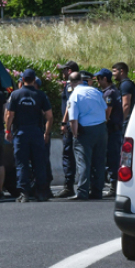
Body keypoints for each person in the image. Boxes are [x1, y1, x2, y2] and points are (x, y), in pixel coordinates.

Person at [5, 68, 53, 202]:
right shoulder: (41, 95)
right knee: (39, 163)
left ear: (22, 80)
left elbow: (9, 115)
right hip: (36, 133)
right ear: (34, 80)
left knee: (22, 164)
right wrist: (46, 133)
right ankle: (41, 192)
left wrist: (8, 130)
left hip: (21, 133)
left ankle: (24, 193)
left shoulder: (15, 95)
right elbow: (49, 116)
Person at [67, 71, 108, 200]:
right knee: (99, 161)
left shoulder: (74, 96)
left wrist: (74, 134)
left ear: (71, 83)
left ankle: (82, 192)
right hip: (101, 129)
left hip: (85, 131)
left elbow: (73, 120)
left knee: (83, 161)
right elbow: (105, 109)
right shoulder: (95, 91)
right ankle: (97, 191)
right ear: (81, 80)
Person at [95, 68, 124, 197]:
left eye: (98, 79)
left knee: (112, 158)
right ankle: (113, 186)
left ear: (104, 79)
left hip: (112, 131)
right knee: (114, 158)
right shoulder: (115, 91)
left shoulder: (108, 94)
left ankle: (113, 188)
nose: (97, 82)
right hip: (116, 130)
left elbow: (107, 114)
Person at [54, 61, 80, 198]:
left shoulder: (70, 86)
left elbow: (70, 105)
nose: (62, 73)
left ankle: (69, 186)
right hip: (78, 124)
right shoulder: (82, 84)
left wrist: (64, 122)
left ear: (69, 71)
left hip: (71, 125)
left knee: (68, 154)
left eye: (64, 70)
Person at [112, 62, 135, 133]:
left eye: (114, 71)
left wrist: (121, 121)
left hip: (126, 121)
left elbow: (126, 105)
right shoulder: (126, 83)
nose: (113, 74)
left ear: (121, 71)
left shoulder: (125, 85)